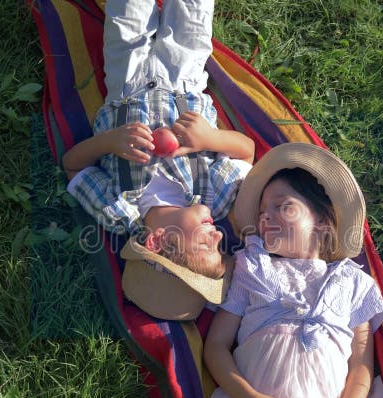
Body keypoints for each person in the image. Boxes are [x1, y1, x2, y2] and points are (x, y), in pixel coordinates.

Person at [202, 143, 383, 398]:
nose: (267, 217)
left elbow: (361, 365)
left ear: (321, 220)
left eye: (283, 206)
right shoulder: (252, 267)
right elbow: (215, 345)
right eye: (263, 212)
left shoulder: (354, 282)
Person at [62, 0, 254, 280]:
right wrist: (209, 138)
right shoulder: (214, 197)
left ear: (157, 241)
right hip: (185, 78)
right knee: (193, 9)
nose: (217, 235)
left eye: (205, 244)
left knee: (128, 10)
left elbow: (72, 167)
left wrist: (109, 142)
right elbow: (246, 152)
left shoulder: (118, 212)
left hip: (126, 80)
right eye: (219, 245)